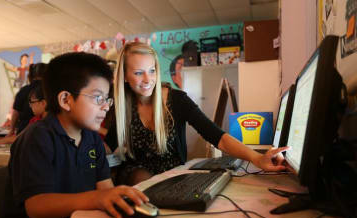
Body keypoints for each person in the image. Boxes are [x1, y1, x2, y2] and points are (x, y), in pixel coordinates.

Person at [2, 52, 149, 218]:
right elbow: (37, 206)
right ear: (65, 100)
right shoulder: (37, 137)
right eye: (98, 98)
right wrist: (97, 199)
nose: (106, 107)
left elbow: (104, 188)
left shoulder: (92, 139)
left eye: (107, 99)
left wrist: (119, 199)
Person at [105, 42, 289, 186]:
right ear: (125, 76)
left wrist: (257, 158)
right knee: (139, 175)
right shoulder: (119, 107)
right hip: (137, 180)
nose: (148, 80)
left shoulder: (176, 100)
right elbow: (106, 147)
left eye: (152, 71)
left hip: (173, 180)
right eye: (138, 73)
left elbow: (218, 137)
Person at [7, 63, 48, 136]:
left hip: (25, 132)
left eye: (32, 103)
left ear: (43, 103)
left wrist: (11, 130)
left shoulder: (24, 90)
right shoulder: (51, 89)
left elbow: (16, 112)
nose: (30, 106)